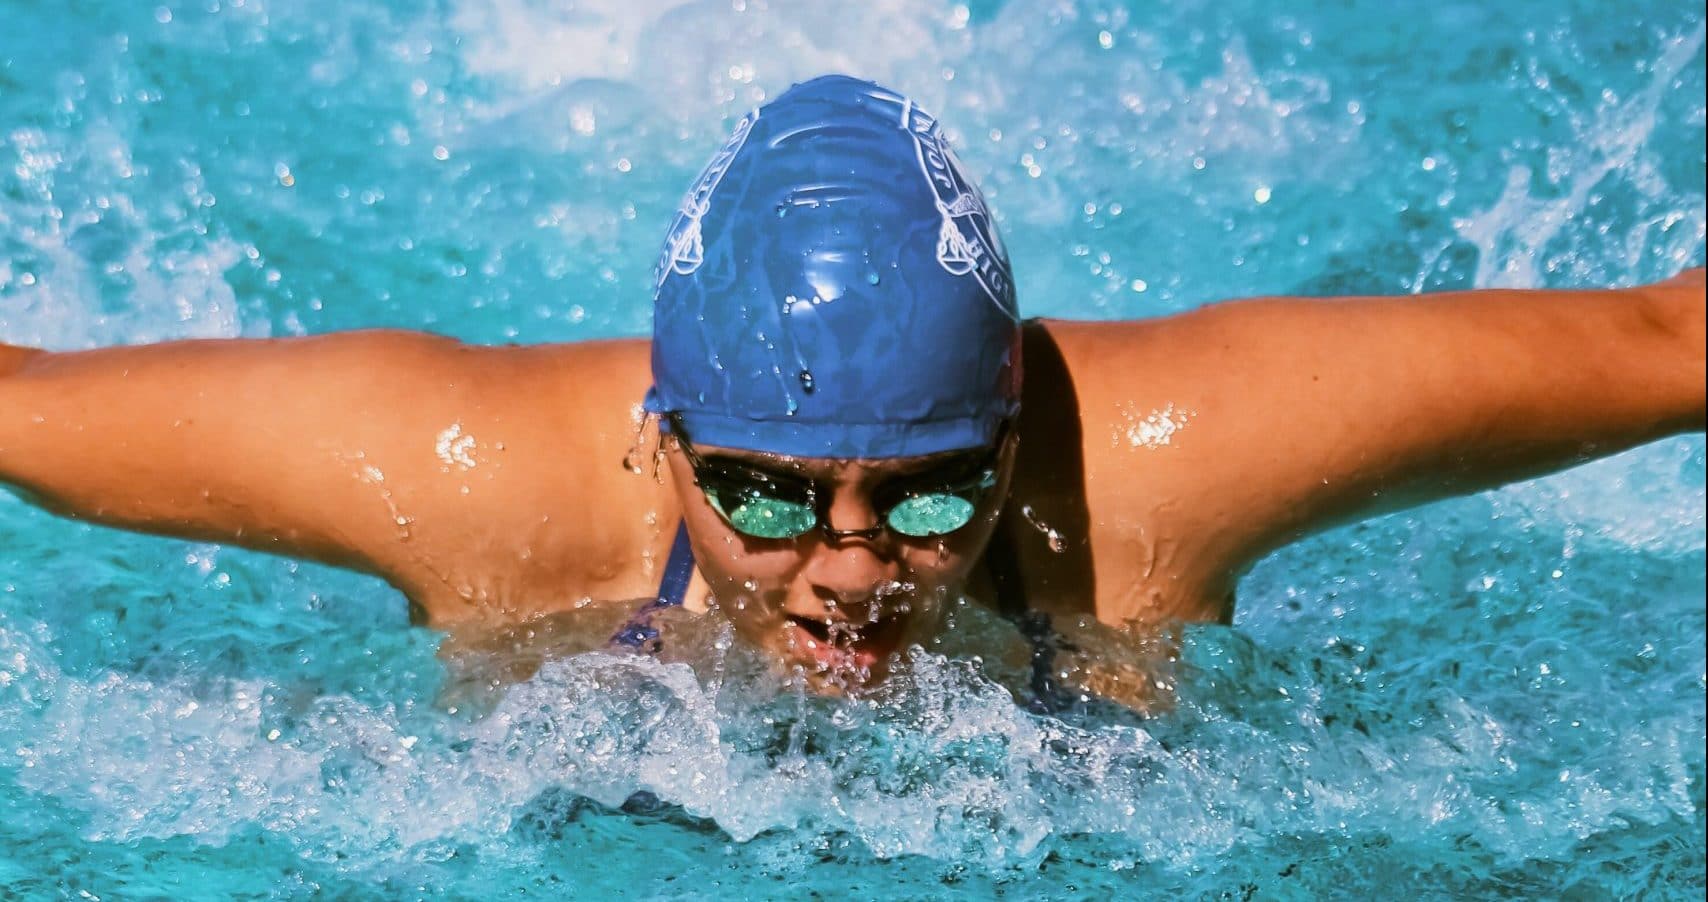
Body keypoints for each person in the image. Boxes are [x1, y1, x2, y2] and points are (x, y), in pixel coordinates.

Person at [1, 76, 1702, 699]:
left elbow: (1664, 343)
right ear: (662, 442)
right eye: (761, 493)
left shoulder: (1170, 459)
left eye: (932, 494)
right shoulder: (472, 475)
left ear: (1013, 439)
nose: (851, 571)